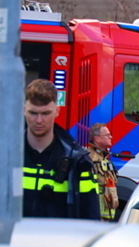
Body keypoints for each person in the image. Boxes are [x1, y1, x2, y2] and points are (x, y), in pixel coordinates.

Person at [22, 79, 101, 220]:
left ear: (57, 111)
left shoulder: (78, 162)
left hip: (60, 242)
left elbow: (91, 219)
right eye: (33, 113)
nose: (39, 120)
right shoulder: (7, 156)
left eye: (46, 113)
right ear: (24, 110)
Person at [86, 123, 119, 221]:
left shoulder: (103, 158)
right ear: (97, 139)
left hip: (105, 215)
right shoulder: (89, 158)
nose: (111, 137)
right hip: (95, 216)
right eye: (107, 135)